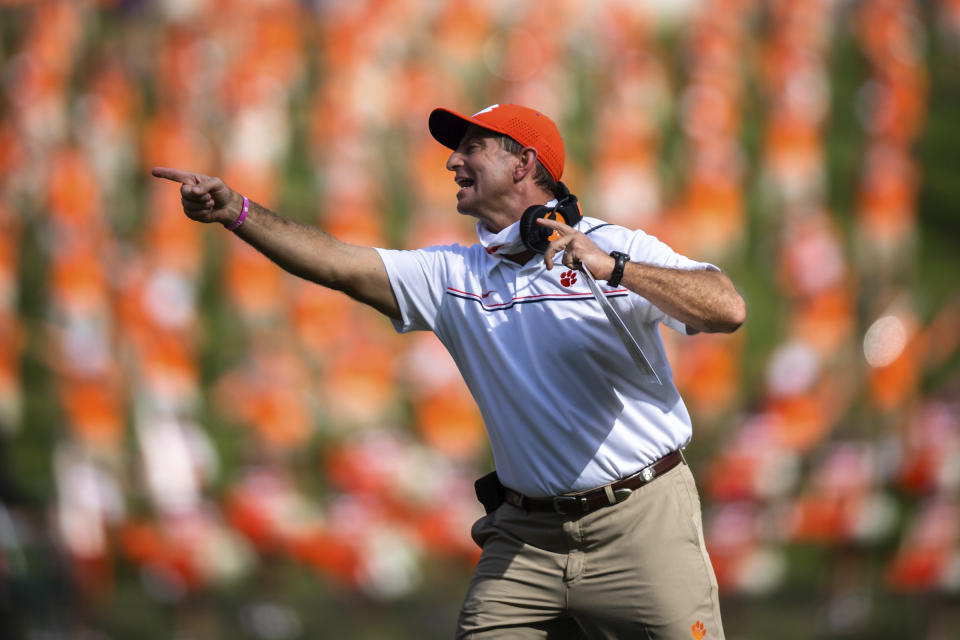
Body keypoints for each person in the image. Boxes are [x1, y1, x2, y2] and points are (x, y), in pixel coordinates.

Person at [153, 103, 745, 639]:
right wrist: (237, 212)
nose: (452, 161)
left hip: (641, 522)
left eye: (472, 147)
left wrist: (615, 268)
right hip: (526, 537)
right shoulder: (450, 273)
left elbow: (727, 308)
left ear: (523, 164)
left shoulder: (613, 244)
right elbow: (338, 265)